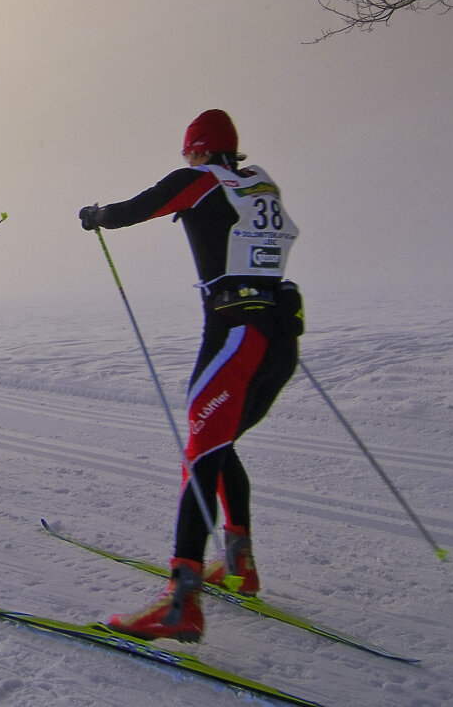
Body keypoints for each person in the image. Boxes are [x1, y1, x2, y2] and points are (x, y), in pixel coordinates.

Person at [78, 109, 301, 643]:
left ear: (198, 150)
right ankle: (240, 565)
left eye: (187, 152)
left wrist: (95, 214)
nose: (186, 160)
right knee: (218, 446)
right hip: (280, 338)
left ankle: (181, 602)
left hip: (233, 338)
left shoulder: (197, 181)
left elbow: (136, 209)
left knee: (201, 454)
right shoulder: (259, 182)